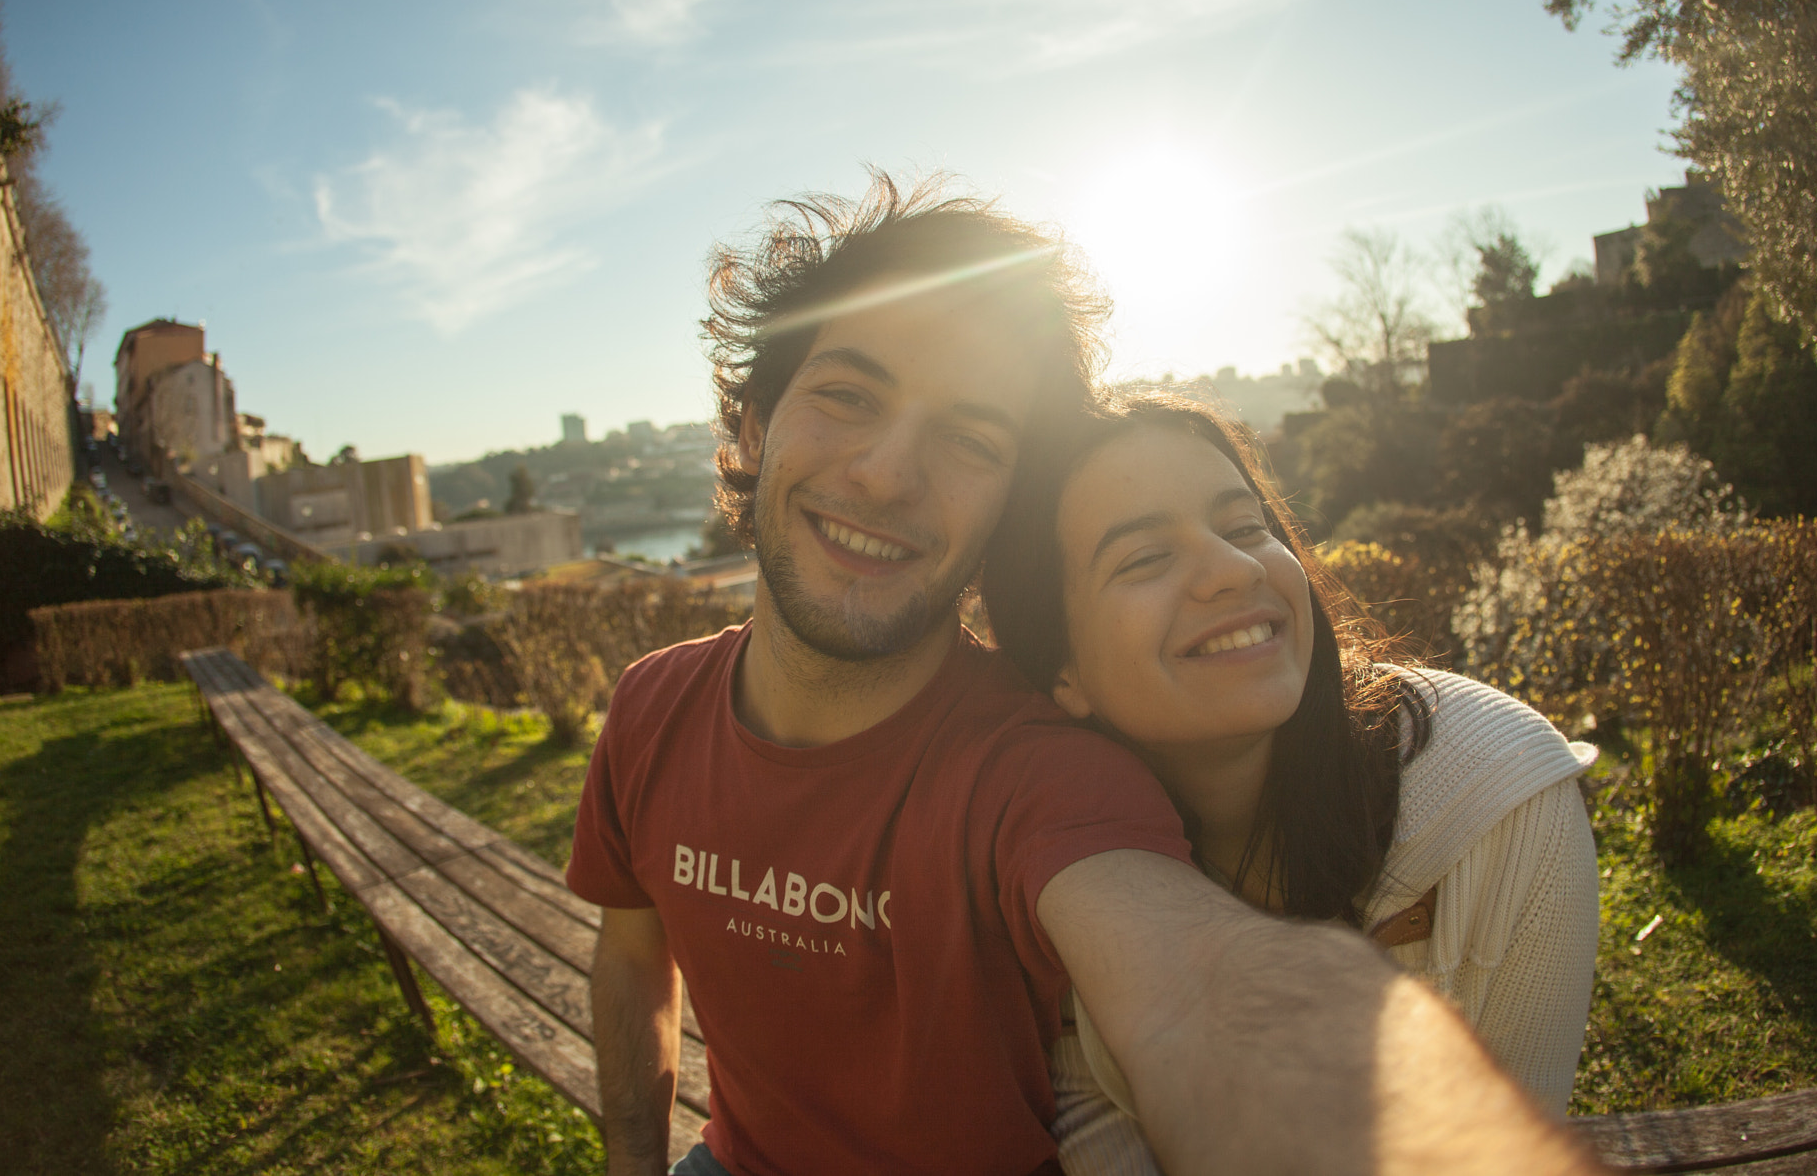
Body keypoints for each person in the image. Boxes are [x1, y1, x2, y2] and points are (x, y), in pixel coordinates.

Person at [566, 173, 1600, 1176]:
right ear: (751, 426)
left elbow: (1189, 982)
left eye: (970, 438)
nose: (886, 475)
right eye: (845, 394)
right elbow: (628, 960)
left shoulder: (1040, 771)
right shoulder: (652, 709)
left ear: (999, 516)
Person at [980, 394, 1600, 1173]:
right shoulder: (1049, 870)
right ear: (1061, 669)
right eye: (1143, 559)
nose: (1235, 569)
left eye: (1246, 529)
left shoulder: (1500, 792)